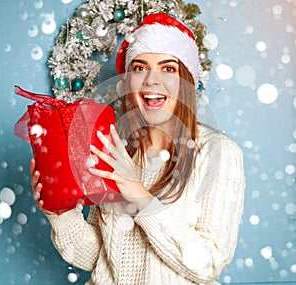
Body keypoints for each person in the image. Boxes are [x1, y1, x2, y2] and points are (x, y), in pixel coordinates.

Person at [31, 13, 246, 285]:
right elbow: (98, 258)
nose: (151, 81)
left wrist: (139, 195)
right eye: (140, 68)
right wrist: (59, 213)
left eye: (168, 69)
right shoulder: (115, 148)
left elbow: (208, 263)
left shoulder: (218, 154)